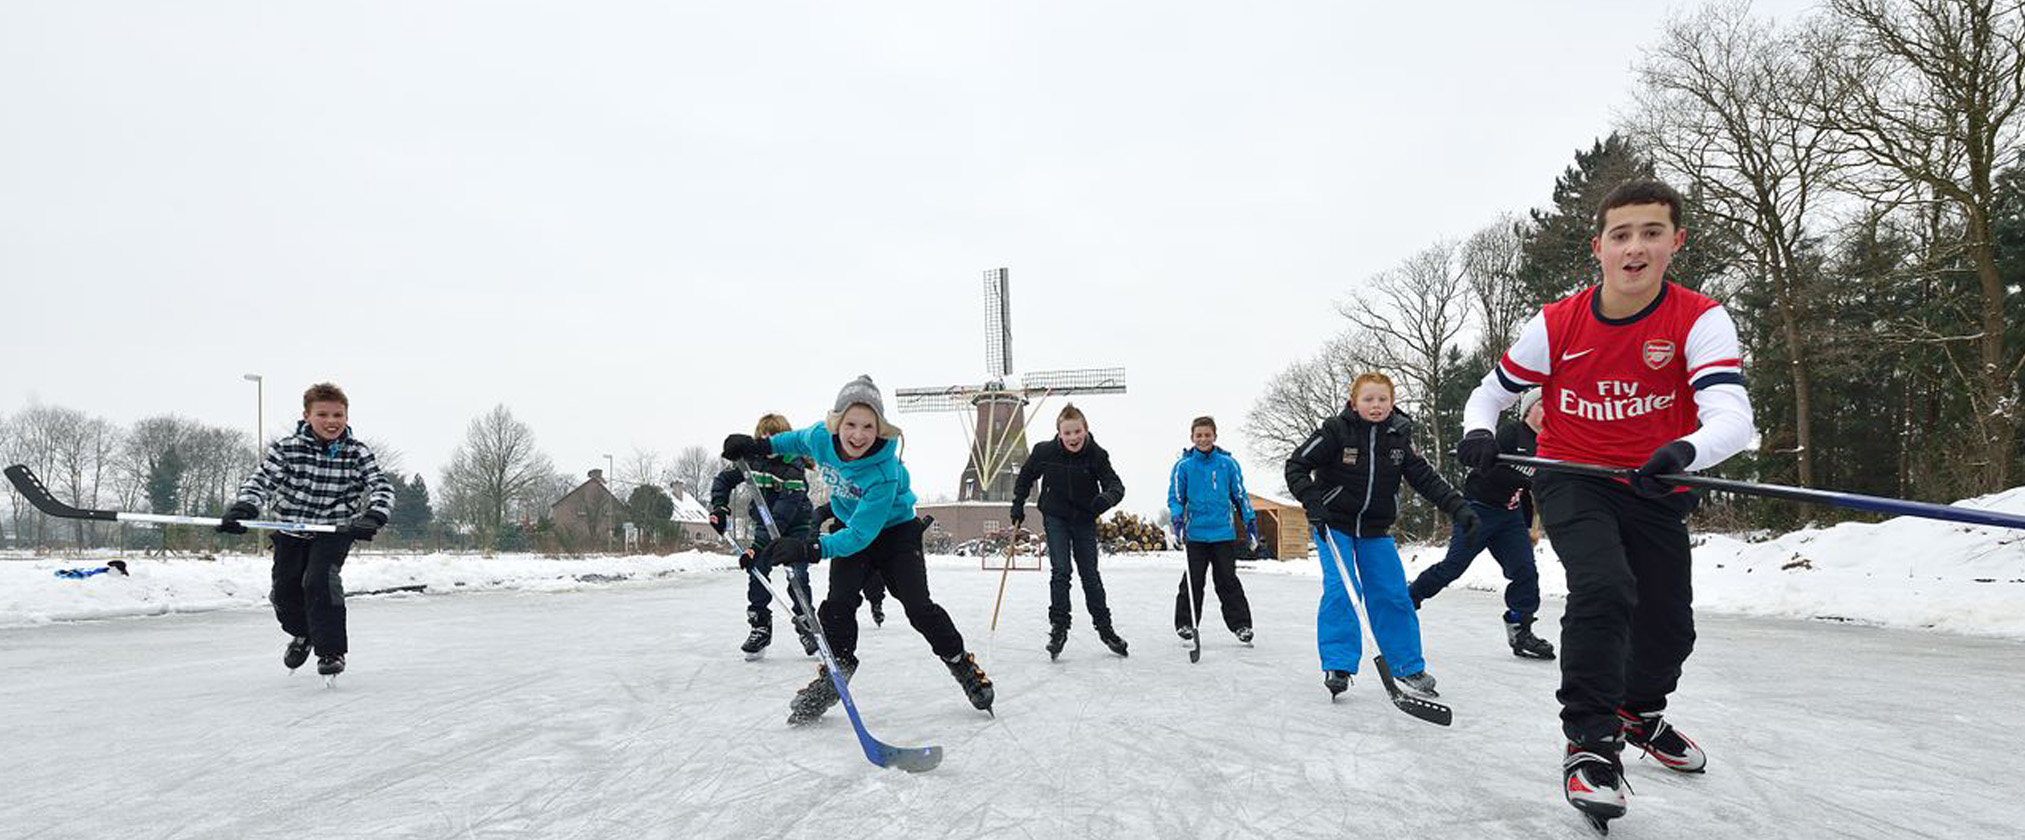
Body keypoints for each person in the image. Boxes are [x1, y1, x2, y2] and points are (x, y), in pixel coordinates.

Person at [1457, 178, 1753, 827]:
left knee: (1670, 626)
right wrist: (1478, 432)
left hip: (1654, 483)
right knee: (1603, 587)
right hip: (1571, 474)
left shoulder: (1698, 319)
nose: (1635, 247)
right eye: (1620, 235)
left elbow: (1731, 416)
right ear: (1598, 247)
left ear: (1675, 241)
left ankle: (1637, 713)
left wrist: (1684, 451)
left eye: (1651, 232)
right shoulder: (1557, 323)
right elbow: (1488, 395)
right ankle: (1590, 743)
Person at [721, 375, 993, 724]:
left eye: (868, 426)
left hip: (895, 534)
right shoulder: (821, 437)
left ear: (880, 429)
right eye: (851, 424)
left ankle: (961, 663)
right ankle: (838, 669)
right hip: (851, 526)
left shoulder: (883, 470)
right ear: (838, 423)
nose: (858, 434)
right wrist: (758, 447)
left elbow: (862, 535)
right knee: (837, 604)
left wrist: (809, 548)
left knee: (918, 606)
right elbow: (794, 440)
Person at [1284, 373, 1478, 700]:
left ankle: (1407, 666)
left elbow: (1427, 480)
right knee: (1343, 590)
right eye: (1368, 399)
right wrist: (1313, 501)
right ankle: (1339, 665)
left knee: (1392, 594)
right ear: (1354, 402)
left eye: (1382, 400)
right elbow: (1295, 466)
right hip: (1335, 524)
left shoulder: (1398, 439)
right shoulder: (1335, 431)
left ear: (1391, 402)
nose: (1376, 406)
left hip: (1375, 529)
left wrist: (1459, 508)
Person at [217, 383, 394, 679]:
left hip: (334, 530)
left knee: (318, 582)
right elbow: (261, 481)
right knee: (285, 591)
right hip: (290, 530)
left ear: (346, 417)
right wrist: (245, 508)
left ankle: (331, 650)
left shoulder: (357, 452)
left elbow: (380, 485)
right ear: (307, 416)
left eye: (338, 414)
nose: (331, 421)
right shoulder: (288, 449)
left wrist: (374, 514)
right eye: (323, 414)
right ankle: (302, 635)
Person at [1408, 386, 1557, 660]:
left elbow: (1528, 492)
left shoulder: (1548, 444)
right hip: (1478, 510)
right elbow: (1489, 470)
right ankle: (1409, 599)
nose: (1546, 412)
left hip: (1509, 516)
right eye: (1541, 406)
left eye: (1552, 407)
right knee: (1453, 567)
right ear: (1528, 411)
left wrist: (1526, 525)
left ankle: (1520, 627)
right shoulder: (1511, 433)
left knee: (1525, 571)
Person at [1010, 403, 1129, 659]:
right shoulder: (1045, 451)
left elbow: (1116, 485)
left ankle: (1105, 629)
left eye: (1077, 432)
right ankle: (1059, 627)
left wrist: (1105, 499)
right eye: (1067, 433)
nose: (1073, 438)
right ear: (1059, 434)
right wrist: (1017, 504)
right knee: (1061, 570)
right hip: (1056, 517)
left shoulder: (1097, 455)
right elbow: (1025, 477)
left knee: (1090, 574)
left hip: (1084, 518)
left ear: (1086, 430)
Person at [710, 413, 818, 659]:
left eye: (775, 436)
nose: (768, 440)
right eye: (763, 436)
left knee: (797, 575)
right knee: (757, 571)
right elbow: (724, 480)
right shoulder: (752, 461)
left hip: (796, 527)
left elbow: (782, 514)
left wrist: (757, 546)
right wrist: (719, 507)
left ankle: (808, 625)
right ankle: (760, 627)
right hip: (764, 523)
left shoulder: (793, 467)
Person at [1166, 416, 1258, 646]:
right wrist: (1177, 521)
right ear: (1192, 438)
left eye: (1207, 435)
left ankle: (1241, 625)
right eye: (1199, 435)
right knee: (1193, 581)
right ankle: (1186, 623)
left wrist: (1250, 523)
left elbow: (1239, 495)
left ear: (1215, 436)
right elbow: (1176, 497)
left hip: (1222, 534)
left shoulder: (1227, 464)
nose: (1203, 439)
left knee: (1227, 580)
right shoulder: (1183, 467)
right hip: (1195, 535)